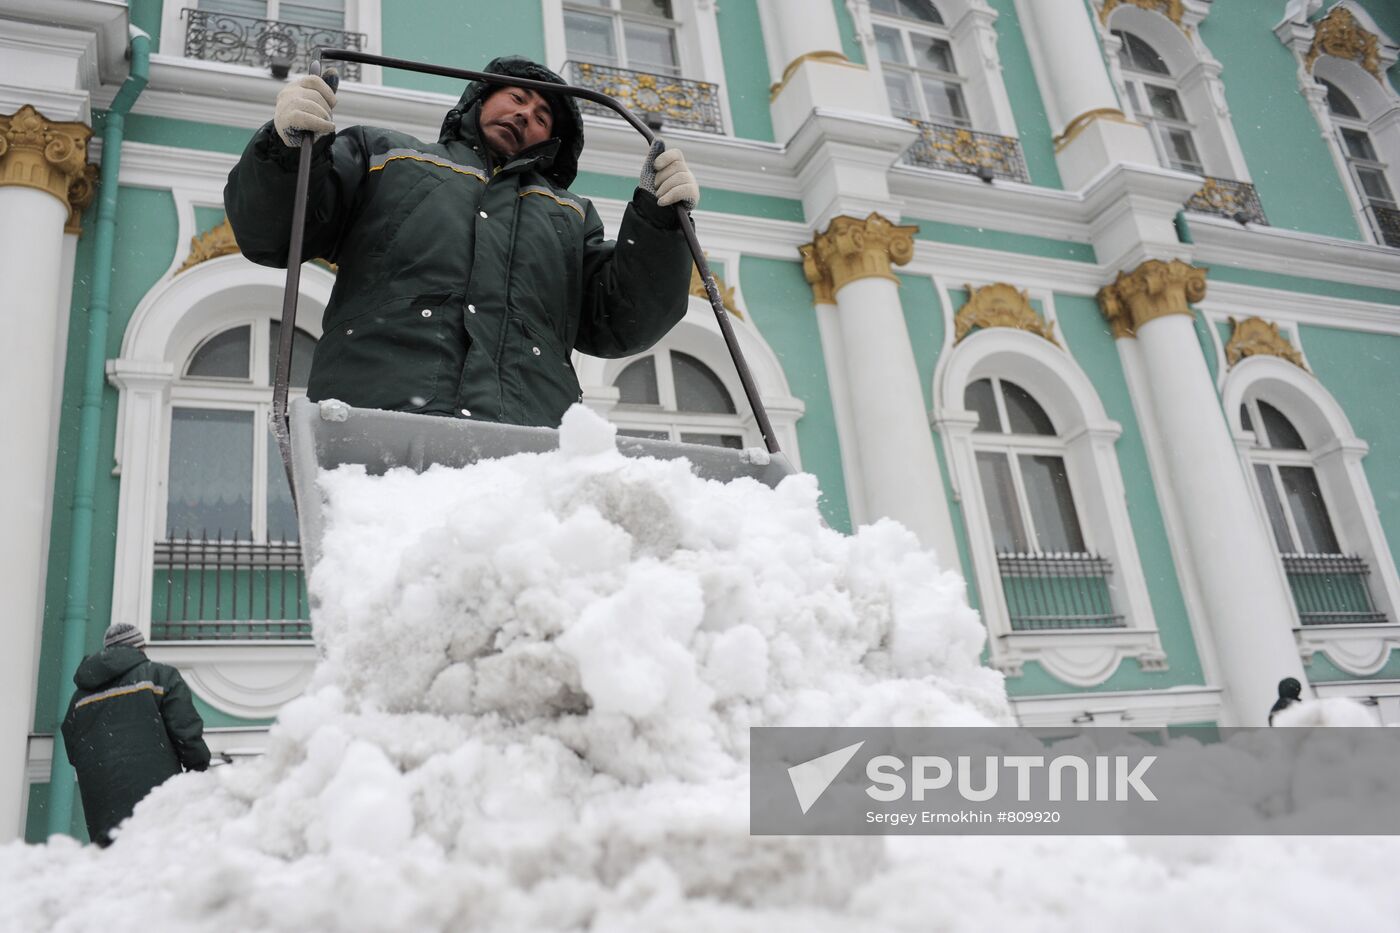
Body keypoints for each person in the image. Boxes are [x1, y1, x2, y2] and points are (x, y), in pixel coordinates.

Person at [224, 55, 699, 426]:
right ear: (479, 100)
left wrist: (659, 224)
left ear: (550, 140)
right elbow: (274, 232)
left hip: (528, 437)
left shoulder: (569, 215)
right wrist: (287, 151)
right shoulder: (387, 156)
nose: (524, 115)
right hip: (375, 417)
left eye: (541, 116)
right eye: (515, 97)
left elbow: (622, 320)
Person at [61, 623, 211, 846]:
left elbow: (74, 752)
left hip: (103, 811)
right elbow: (185, 733)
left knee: (120, 870)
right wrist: (199, 767)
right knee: (160, 863)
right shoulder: (160, 677)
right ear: (140, 648)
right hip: (157, 802)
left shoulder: (79, 699)